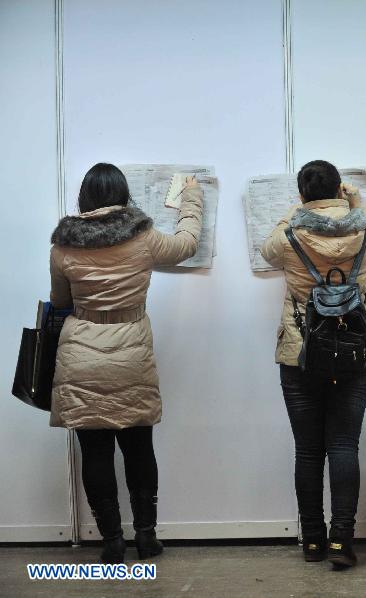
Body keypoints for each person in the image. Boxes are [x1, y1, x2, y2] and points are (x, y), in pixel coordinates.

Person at [49, 163, 204, 563]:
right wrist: (191, 196)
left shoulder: (63, 247)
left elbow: (62, 302)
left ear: (85, 196)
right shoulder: (145, 238)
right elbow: (187, 243)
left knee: (95, 453)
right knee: (138, 449)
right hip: (131, 352)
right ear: (123, 195)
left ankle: (112, 542)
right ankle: (147, 538)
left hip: (80, 353)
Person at [261, 160, 366, 569]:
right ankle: (342, 541)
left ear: (302, 193)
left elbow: (267, 251)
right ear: (340, 189)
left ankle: (313, 542)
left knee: (308, 451)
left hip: (299, 354)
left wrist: (295, 209)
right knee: (343, 446)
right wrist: (363, 205)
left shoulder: (290, 233)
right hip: (353, 354)